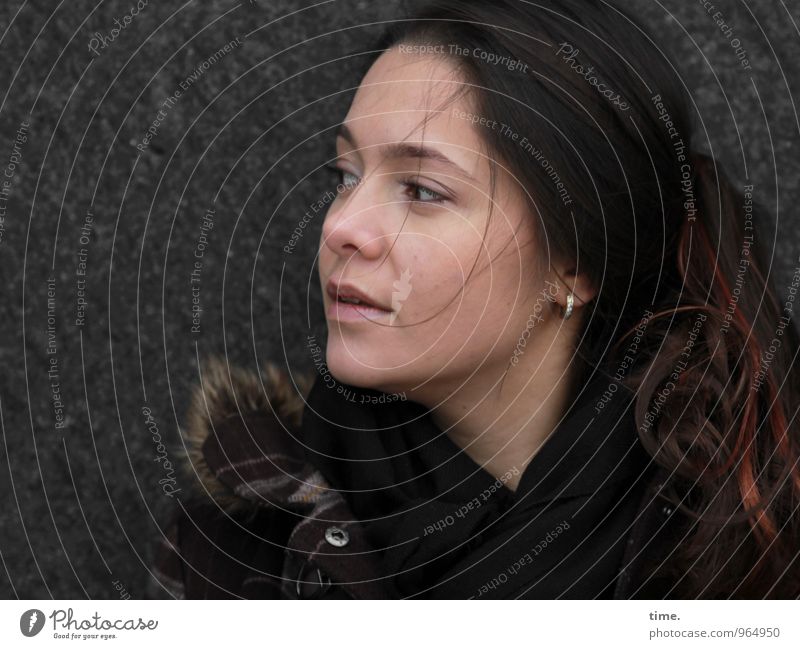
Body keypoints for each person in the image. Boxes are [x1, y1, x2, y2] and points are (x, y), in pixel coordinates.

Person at [150, 0, 800, 598]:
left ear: (571, 266)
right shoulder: (236, 553)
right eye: (345, 175)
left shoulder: (744, 551)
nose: (339, 226)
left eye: (423, 190)